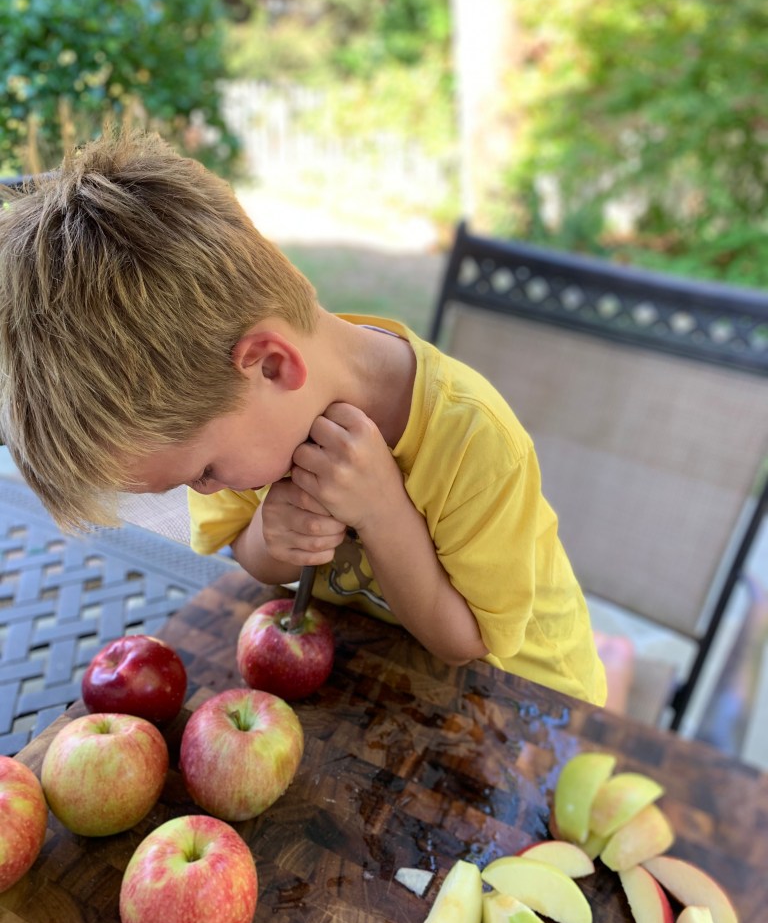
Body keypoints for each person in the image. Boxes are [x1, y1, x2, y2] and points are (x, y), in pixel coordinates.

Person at [0, 131, 606, 705]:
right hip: (373, 670)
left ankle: (614, 665)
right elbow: (247, 552)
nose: (206, 489)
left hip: (525, 700)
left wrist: (382, 512)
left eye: (205, 472)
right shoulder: (242, 405)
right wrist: (273, 536)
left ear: (271, 365)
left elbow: (466, 643)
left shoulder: (473, 440)